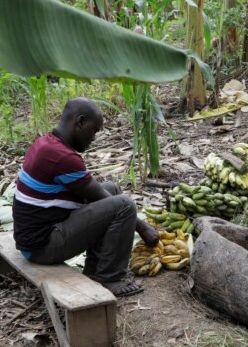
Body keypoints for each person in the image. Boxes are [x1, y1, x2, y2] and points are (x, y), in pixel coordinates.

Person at [12, 98, 159, 297]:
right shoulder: (61, 156)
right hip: (41, 247)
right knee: (124, 206)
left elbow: (99, 194)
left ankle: (94, 269)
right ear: (80, 122)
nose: (94, 138)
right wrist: (143, 228)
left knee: (112, 190)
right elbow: (99, 197)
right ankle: (111, 278)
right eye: (94, 130)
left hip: (39, 236)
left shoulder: (47, 143)